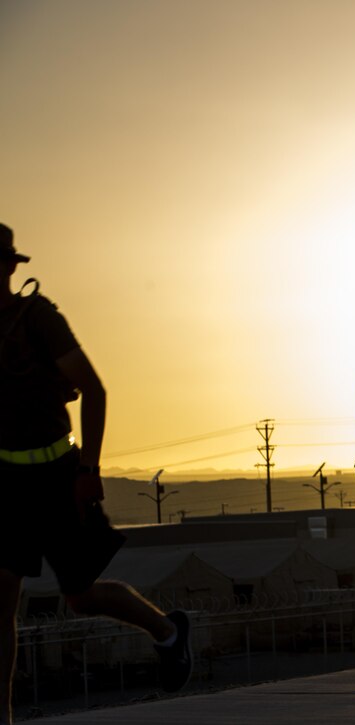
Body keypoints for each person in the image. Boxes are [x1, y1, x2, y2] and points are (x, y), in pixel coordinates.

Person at [0, 223, 191, 724]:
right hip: (6, 483)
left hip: (59, 475)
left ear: (7, 268)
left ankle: (167, 631)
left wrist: (89, 467)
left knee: (80, 597)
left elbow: (95, 389)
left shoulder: (38, 317)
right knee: (1, 598)